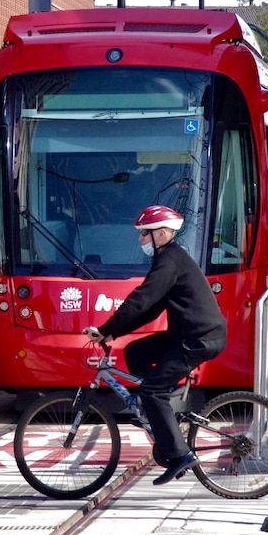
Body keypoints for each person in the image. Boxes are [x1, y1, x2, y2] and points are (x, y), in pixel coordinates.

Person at [83, 205, 227, 485]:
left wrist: (104, 328)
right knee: (134, 351)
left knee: (152, 391)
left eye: (144, 235)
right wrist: (114, 334)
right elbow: (151, 308)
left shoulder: (169, 260)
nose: (140, 241)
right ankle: (159, 411)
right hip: (188, 334)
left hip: (198, 339)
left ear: (161, 234)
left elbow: (141, 299)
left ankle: (179, 454)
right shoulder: (169, 258)